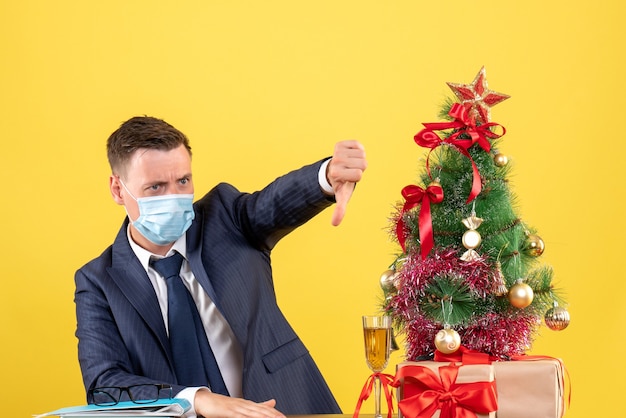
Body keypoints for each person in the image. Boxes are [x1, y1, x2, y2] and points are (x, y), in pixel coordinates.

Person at [74, 116, 367, 418]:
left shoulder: (225, 217)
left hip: (282, 408)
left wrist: (326, 176)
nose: (173, 197)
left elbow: (272, 204)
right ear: (118, 190)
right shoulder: (97, 282)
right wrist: (198, 399)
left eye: (183, 181)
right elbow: (104, 385)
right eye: (155, 187)